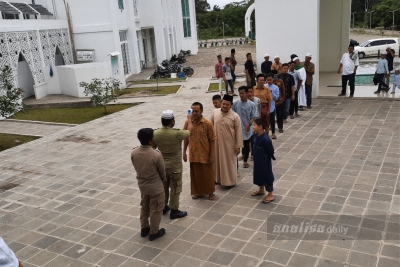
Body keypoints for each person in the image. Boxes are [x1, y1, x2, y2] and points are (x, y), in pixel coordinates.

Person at [153, 110, 193, 220]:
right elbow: (190, 131)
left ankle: (163, 207)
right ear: (172, 122)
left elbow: (152, 148)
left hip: (162, 167)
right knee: (175, 188)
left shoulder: (155, 133)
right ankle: (174, 210)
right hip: (175, 166)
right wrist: (189, 119)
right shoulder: (177, 133)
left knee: (164, 187)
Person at [131, 128, 166, 241]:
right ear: (151, 140)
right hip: (155, 187)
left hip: (143, 186)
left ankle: (144, 228)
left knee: (145, 207)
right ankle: (154, 232)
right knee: (156, 209)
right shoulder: (156, 155)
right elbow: (162, 172)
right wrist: (163, 180)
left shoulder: (134, 152)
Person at [183, 102, 216, 200]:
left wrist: (212, 155)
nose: (194, 113)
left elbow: (212, 139)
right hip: (193, 153)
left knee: (208, 174)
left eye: (196, 111)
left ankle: (210, 192)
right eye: (193, 111)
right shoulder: (188, 123)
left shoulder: (207, 123)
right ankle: (198, 192)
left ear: (201, 111)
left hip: (205, 153)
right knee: (196, 175)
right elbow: (185, 138)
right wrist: (184, 151)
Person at [211, 94, 243, 187]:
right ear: (221, 103)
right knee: (216, 161)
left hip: (229, 144)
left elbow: (239, 132)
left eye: (227, 104)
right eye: (223, 104)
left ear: (231, 105)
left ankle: (229, 182)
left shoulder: (235, 116)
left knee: (229, 162)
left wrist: (238, 146)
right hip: (216, 143)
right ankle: (217, 179)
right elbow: (210, 125)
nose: (225, 106)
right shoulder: (215, 112)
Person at [251, 118, 276, 204]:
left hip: (264, 161)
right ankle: (261, 190)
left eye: (254, 125)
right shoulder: (255, 136)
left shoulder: (266, 139)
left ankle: (270, 194)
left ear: (260, 127)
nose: (253, 127)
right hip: (257, 160)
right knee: (258, 174)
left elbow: (271, 151)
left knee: (267, 175)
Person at [232, 86, 255, 168]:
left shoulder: (251, 104)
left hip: (247, 128)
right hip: (237, 128)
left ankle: (245, 160)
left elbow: (253, 116)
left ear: (247, 93)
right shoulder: (235, 104)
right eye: (240, 93)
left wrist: (249, 124)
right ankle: (241, 156)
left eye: (243, 93)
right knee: (238, 143)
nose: (241, 95)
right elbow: (232, 114)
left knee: (246, 144)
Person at [264, 73, 280, 139]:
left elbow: (276, 97)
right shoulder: (264, 86)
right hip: (264, 106)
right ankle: (265, 133)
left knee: (272, 120)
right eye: (268, 80)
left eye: (270, 80)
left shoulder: (276, 87)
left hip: (272, 106)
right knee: (265, 120)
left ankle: (273, 133)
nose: (269, 81)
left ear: (273, 79)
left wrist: (271, 93)